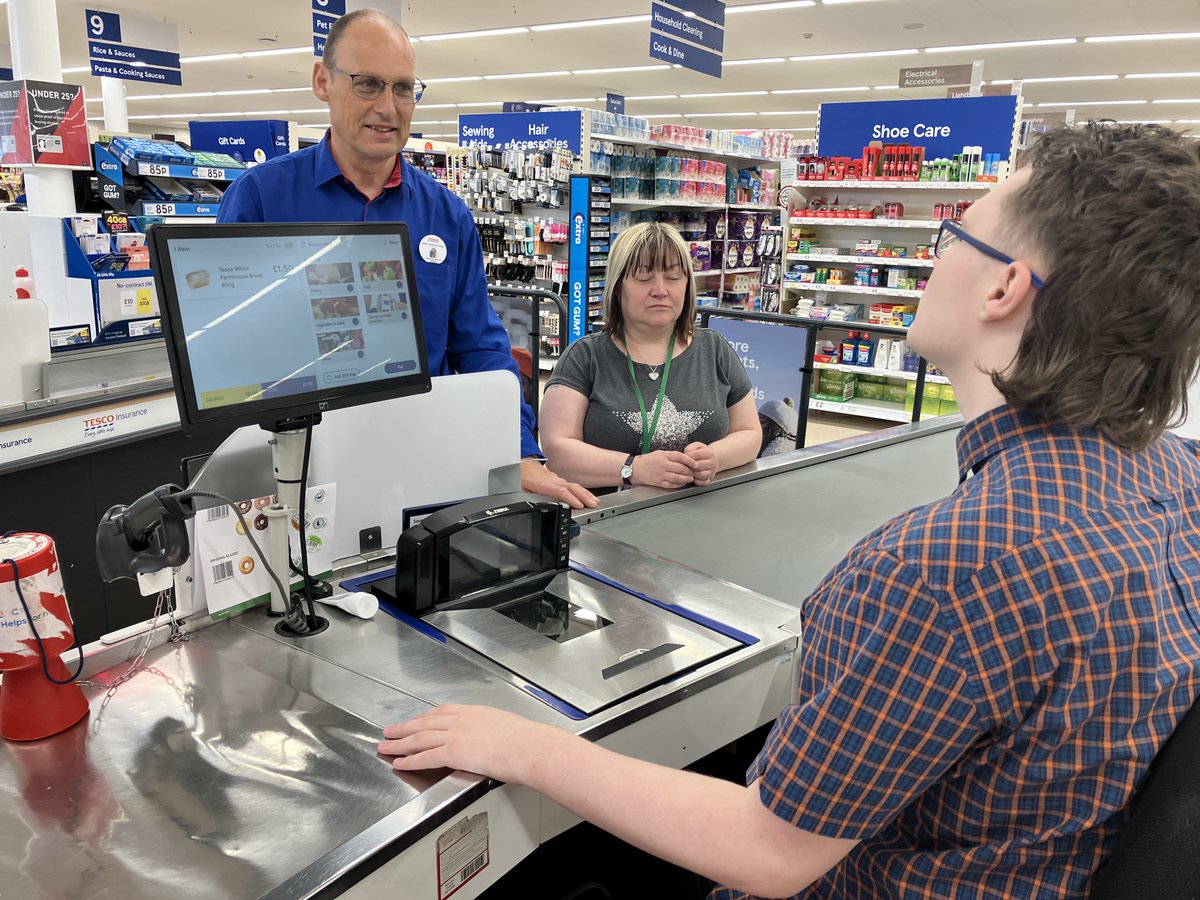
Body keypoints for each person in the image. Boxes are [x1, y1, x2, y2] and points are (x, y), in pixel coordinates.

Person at [378, 123, 1200, 897]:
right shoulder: (1181, 480)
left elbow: (766, 849)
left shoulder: (943, 566)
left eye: (953, 236)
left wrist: (524, 744)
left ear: (1004, 288)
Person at [216, 8, 595, 510]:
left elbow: (480, 349)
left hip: (420, 468)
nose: (389, 108)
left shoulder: (446, 215)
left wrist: (519, 452)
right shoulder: (261, 199)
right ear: (322, 82)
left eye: (403, 88)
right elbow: (230, 351)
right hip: (296, 474)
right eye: (369, 84)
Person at [538, 222, 761, 490]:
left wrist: (716, 458)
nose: (660, 290)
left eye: (673, 277)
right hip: (608, 519)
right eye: (644, 278)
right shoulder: (584, 357)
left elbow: (749, 433)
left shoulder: (715, 350)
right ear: (617, 287)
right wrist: (634, 468)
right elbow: (557, 453)